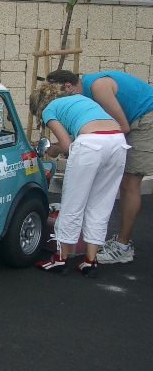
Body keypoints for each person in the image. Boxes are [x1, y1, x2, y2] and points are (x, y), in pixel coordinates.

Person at [47, 69, 153, 264]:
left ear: (69, 87)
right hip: (125, 127)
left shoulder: (98, 87)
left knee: (129, 184)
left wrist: (66, 146)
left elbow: (122, 127)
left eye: (57, 93)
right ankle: (93, 252)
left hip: (144, 120)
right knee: (105, 189)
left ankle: (122, 246)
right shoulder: (86, 94)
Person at [30, 83, 129, 278]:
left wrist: (54, 149)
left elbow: (67, 145)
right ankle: (90, 260)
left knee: (72, 203)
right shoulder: (82, 100)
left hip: (90, 144)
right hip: (118, 142)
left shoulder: (49, 110)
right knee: (101, 204)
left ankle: (60, 258)